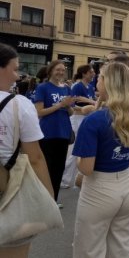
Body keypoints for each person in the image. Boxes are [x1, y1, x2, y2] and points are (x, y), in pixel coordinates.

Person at [71, 62, 129, 257]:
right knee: (121, 246)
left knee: (89, 249)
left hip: (99, 186)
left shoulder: (94, 121)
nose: (97, 81)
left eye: (101, 77)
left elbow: (86, 168)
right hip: (128, 183)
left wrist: (79, 164)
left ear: (109, 83)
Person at [0, 43, 54, 257]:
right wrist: (48, 194)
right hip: (7, 188)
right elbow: (35, 158)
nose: (17, 76)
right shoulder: (20, 104)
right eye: (14, 69)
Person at [34, 60, 75, 203]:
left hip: (63, 134)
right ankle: (43, 201)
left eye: (63, 70)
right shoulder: (43, 88)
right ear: (50, 71)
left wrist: (68, 107)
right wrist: (60, 105)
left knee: (58, 170)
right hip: (47, 134)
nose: (61, 73)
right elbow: (39, 112)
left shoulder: (67, 89)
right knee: (46, 170)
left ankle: (53, 200)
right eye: (58, 70)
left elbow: (71, 113)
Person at [61, 65, 97, 189]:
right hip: (77, 119)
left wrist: (91, 104)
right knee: (75, 152)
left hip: (87, 120)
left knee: (83, 150)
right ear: (84, 74)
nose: (93, 74)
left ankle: (78, 179)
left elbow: (93, 102)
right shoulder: (77, 86)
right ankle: (65, 180)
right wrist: (84, 108)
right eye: (91, 72)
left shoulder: (91, 87)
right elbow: (71, 105)